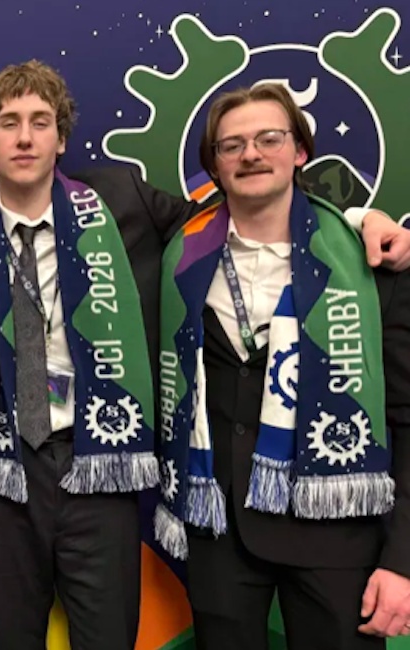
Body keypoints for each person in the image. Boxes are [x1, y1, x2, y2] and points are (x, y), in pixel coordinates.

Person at [0, 61, 410, 650]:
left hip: (99, 475)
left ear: (61, 140)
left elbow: (241, 214)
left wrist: (359, 218)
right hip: (0, 481)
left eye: (40, 124)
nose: (24, 139)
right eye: (8, 125)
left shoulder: (124, 199)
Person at [153, 83, 410, 650]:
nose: (251, 154)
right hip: (219, 536)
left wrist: (403, 563)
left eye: (270, 138)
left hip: (338, 542)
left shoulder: (370, 265)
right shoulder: (180, 255)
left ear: (299, 152)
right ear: (213, 167)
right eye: (232, 145)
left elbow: (406, 419)